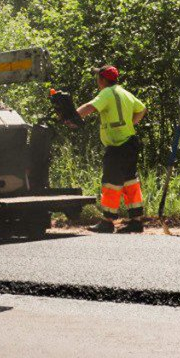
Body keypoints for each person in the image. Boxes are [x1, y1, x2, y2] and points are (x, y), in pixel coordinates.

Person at [62, 65, 148, 233]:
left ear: (102, 80)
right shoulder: (124, 92)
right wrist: (132, 123)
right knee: (130, 181)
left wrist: (72, 117)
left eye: (97, 78)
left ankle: (107, 222)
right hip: (130, 142)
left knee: (111, 183)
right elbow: (142, 108)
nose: (97, 81)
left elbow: (90, 106)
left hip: (117, 146)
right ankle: (136, 221)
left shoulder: (107, 93)